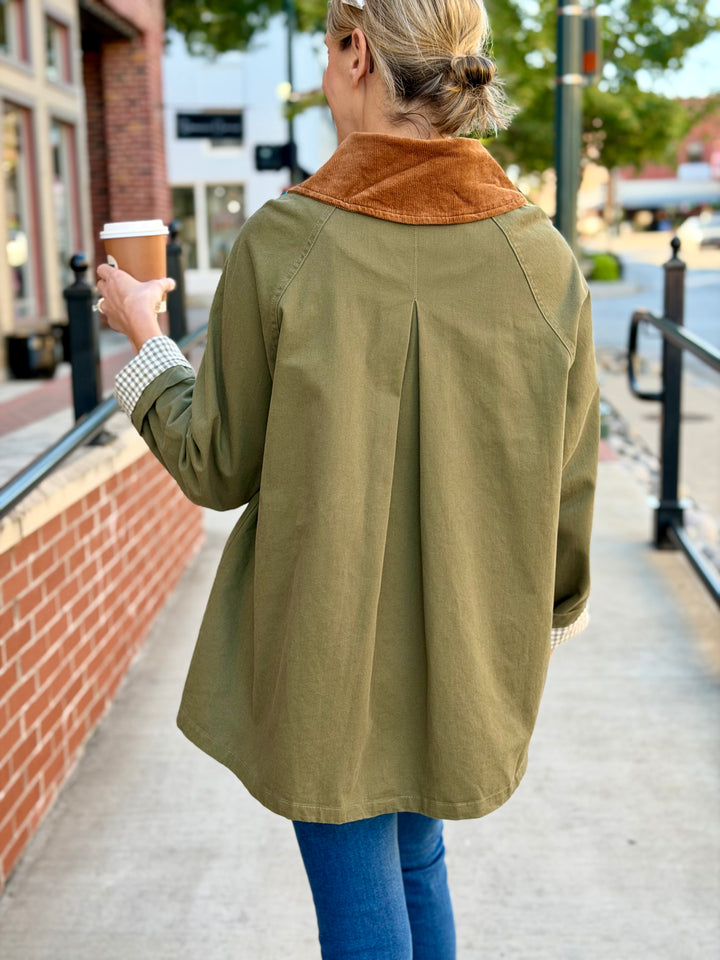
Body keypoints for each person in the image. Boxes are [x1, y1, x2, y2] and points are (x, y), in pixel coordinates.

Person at [97, 0, 599, 955]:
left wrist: (143, 337)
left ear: (356, 52)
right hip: (461, 645)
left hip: (325, 655)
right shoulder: (542, 258)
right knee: (418, 866)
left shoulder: (287, 243)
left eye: (329, 54)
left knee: (363, 907)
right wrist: (551, 608)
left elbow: (214, 461)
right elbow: (570, 482)